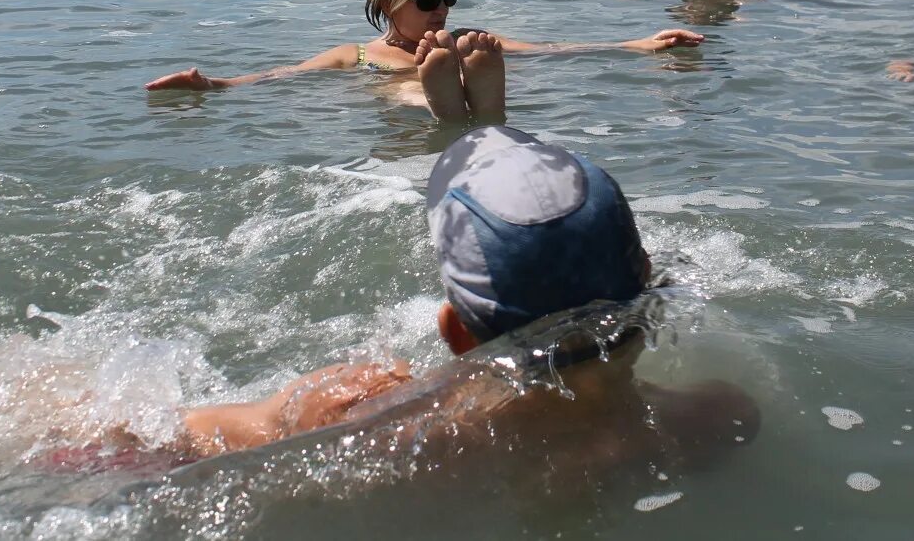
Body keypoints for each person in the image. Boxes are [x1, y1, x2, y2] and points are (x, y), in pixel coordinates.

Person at [139, 126, 756, 465]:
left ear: (455, 333)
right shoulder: (718, 419)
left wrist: (304, 406)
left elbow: (166, 437)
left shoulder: (372, 433)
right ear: (646, 279)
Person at [146, 0, 703, 120]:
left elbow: (556, 50)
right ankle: (448, 97)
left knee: (470, 56)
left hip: (463, 84)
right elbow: (280, 76)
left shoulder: (473, 39)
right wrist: (212, 85)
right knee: (414, 85)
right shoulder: (355, 55)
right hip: (411, 118)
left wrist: (638, 44)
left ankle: (469, 101)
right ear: (389, 2)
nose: (443, 9)